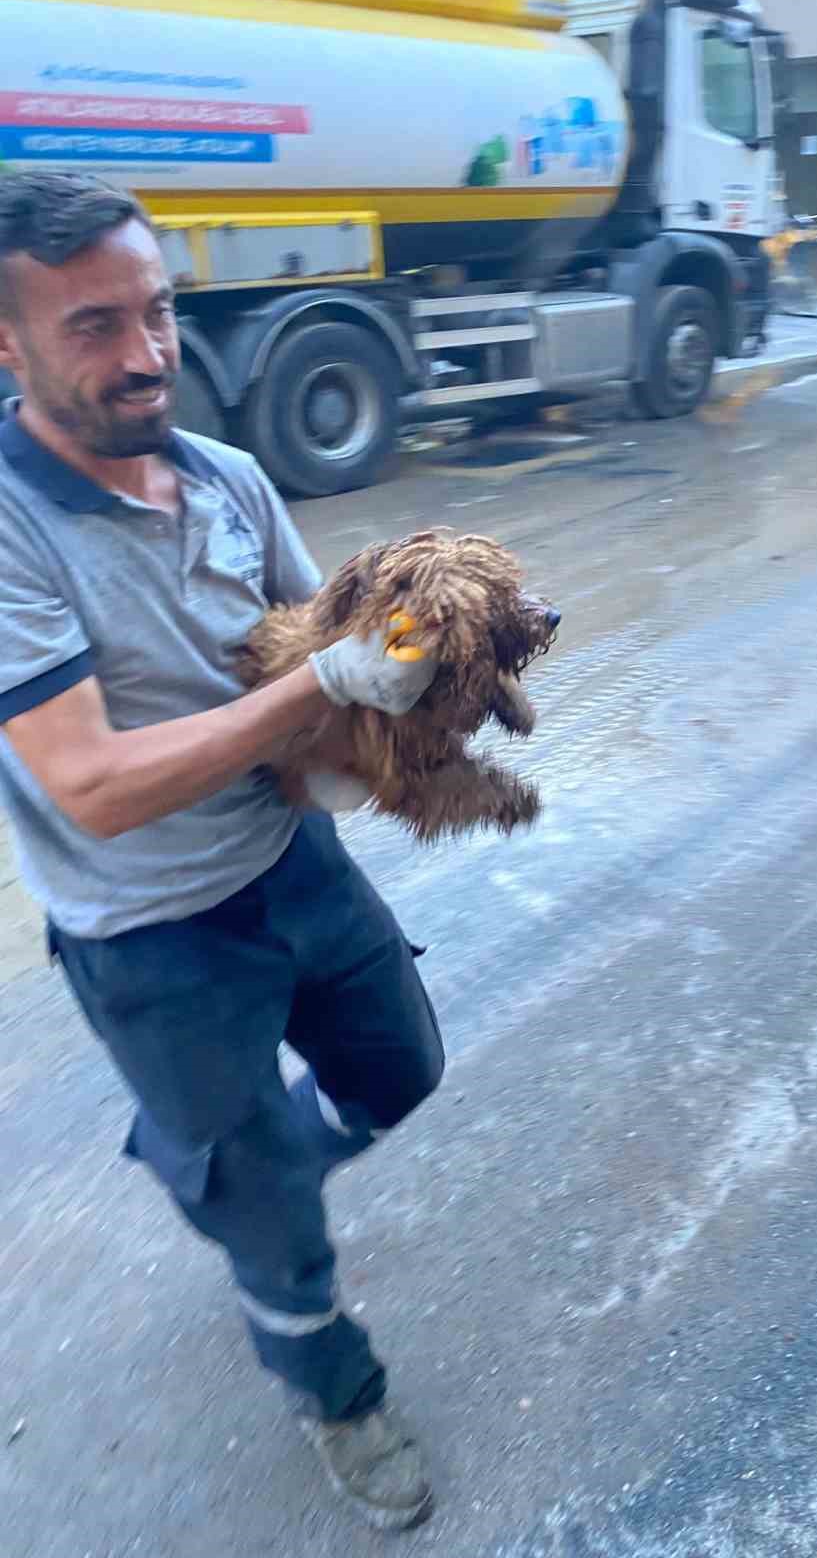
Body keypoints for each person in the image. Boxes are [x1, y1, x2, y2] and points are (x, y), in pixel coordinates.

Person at [0, 171, 445, 1531]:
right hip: (151, 941)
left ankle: (228, 1155)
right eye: (92, 325)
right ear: (5, 343)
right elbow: (92, 787)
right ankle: (338, 1393)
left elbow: (329, 653)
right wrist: (329, 693)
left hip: (290, 867)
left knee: (400, 1069)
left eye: (159, 311)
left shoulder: (233, 478)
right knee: (276, 1231)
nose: (144, 354)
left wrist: (426, 681)